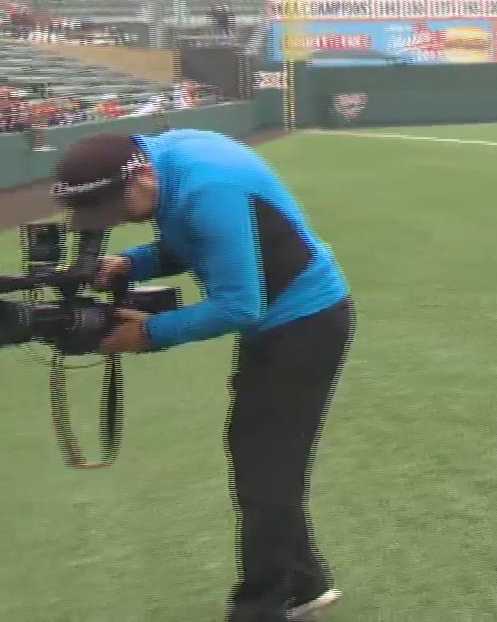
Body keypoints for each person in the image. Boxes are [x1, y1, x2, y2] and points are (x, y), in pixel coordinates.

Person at [53, 129, 352, 622]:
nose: (117, 220)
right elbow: (194, 240)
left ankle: (261, 605)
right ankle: (304, 583)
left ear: (143, 176)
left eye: (115, 207)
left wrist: (151, 334)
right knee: (257, 458)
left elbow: (238, 304)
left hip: (306, 323)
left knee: (267, 470)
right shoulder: (167, 161)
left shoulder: (205, 188)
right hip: (281, 322)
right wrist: (132, 261)